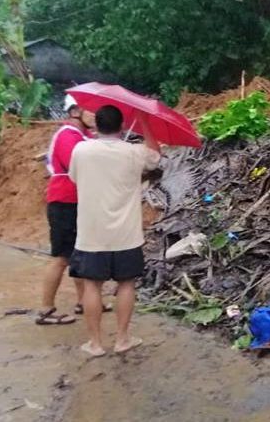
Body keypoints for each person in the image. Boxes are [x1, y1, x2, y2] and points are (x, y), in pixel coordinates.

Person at [68, 105, 160, 356]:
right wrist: (144, 121)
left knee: (92, 286)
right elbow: (155, 156)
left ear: (96, 125)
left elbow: (74, 178)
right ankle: (122, 340)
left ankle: (95, 343)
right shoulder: (134, 152)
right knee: (126, 284)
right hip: (126, 234)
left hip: (92, 233)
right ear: (122, 126)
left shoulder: (81, 150)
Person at [36, 95, 96, 326]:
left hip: (76, 201)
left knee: (78, 253)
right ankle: (46, 309)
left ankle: (83, 301)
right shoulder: (68, 135)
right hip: (65, 201)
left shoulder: (82, 135)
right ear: (75, 111)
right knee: (61, 257)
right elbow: (77, 166)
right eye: (90, 110)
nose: (95, 115)